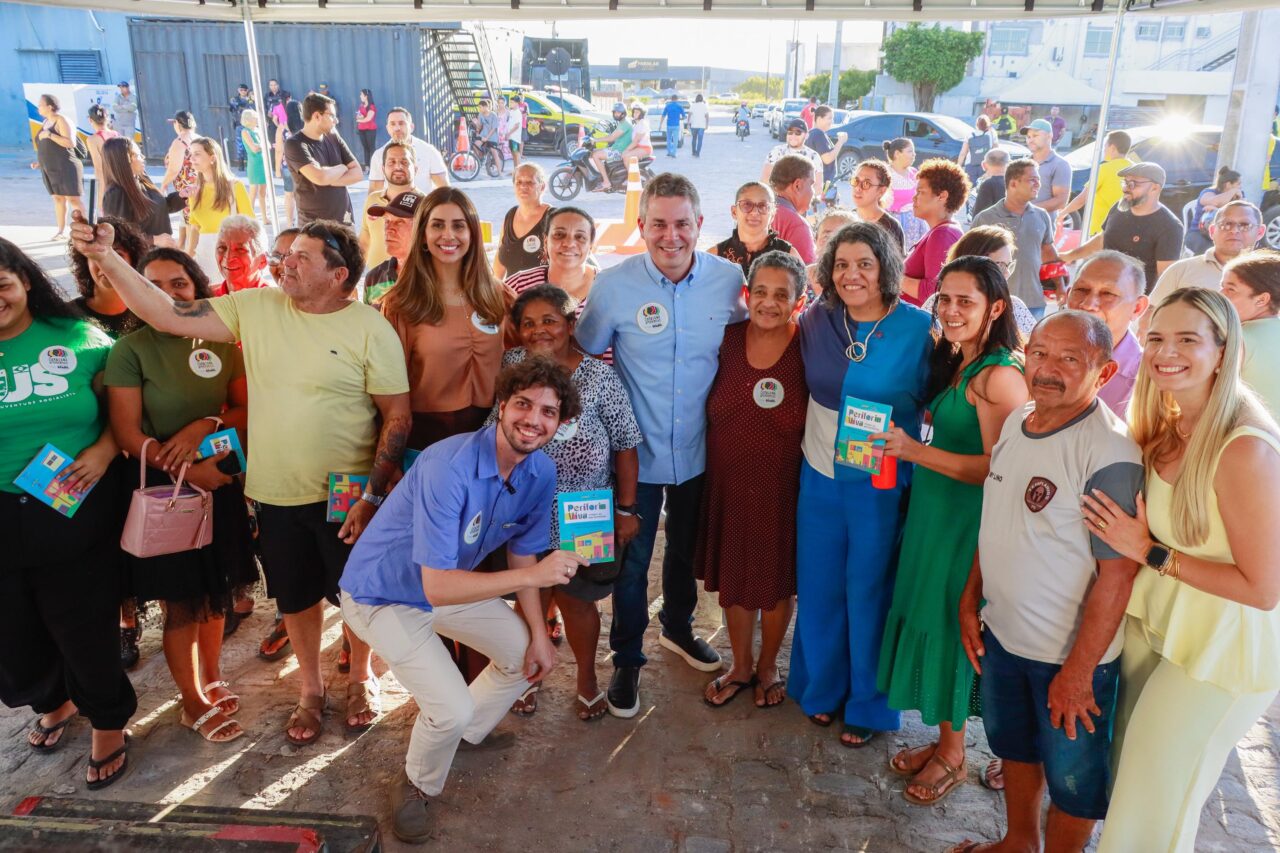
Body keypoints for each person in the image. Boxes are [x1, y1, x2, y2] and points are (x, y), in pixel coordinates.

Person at [70, 212, 412, 747]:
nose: (285, 263)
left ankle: (360, 678)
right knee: (295, 598)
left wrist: (371, 494)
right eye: (286, 254)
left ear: (339, 274)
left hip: (347, 493)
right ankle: (311, 689)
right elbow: (166, 312)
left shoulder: (371, 326)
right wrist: (105, 257)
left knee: (357, 594)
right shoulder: (254, 307)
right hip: (276, 493)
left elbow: (397, 416)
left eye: (301, 257)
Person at [338, 359, 584, 844]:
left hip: (445, 585)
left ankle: (459, 737)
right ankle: (416, 784)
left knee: (524, 657)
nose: (533, 419)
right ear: (501, 406)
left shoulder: (540, 470)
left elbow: (522, 553)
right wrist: (535, 575)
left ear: (560, 422)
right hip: (381, 594)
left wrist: (539, 635)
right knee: (449, 708)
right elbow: (440, 588)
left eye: (548, 412)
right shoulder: (448, 465)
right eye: (523, 404)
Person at [1082, 289, 1280, 853]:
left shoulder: (1245, 448)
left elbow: (1264, 590)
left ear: (1223, 350)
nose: (1166, 352)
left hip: (1221, 649)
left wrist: (1149, 551)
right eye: (1157, 339)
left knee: (1152, 803)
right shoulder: (1167, 421)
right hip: (1159, 625)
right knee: (1129, 779)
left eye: (1188, 339)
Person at [953, 310, 1143, 853]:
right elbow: (998, 517)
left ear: (1104, 372)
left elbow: (1118, 575)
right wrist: (971, 599)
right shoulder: (1018, 421)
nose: (1048, 369)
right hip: (1004, 636)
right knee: (1015, 748)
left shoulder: (1110, 452)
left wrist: (1079, 673)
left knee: (1073, 782)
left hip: (1068, 658)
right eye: (1039, 353)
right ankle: (1018, 842)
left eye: (1069, 359)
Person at [576, 174, 748, 718]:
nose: (670, 236)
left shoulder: (729, 279)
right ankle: (627, 657)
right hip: (636, 457)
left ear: (700, 224)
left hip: (701, 450)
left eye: (681, 224)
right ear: (641, 225)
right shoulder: (612, 286)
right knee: (631, 563)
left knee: (685, 551)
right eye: (658, 224)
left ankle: (677, 627)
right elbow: (585, 357)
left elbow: (745, 344)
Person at [875, 255, 1026, 805]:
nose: (951, 310)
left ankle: (956, 755)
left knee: (951, 627)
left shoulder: (999, 375)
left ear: (996, 308)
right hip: (934, 515)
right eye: (945, 298)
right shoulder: (962, 360)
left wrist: (917, 452)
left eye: (966, 301)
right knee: (931, 619)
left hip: (966, 524)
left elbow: (1001, 468)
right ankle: (945, 741)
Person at [104, 247, 255, 744]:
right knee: (182, 604)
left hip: (219, 482)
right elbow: (127, 434)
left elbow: (243, 408)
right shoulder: (129, 350)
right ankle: (191, 702)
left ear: (197, 287)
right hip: (165, 491)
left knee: (216, 594)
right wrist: (189, 471)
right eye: (153, 286)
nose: (168, 295)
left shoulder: (222, 343)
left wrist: (204, 424)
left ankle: (211, 678)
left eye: (179, 284)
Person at [0, 237, 136, 789]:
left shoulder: (81, 338)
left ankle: (108, 720)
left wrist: (104, 450)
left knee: (83, 621)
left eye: (2, 286)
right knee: (12, 629)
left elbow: (126, 409)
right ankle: (53, 698)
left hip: (72, 502)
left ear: (25, 281)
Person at [789, 222, 931, 747]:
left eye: (864, 264)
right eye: (842, 264)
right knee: (820, 584)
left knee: (870, 588)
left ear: (885, 268)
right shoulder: (817, 319)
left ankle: (868, 704)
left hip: (881, 481)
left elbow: (939, 401)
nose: (852, 275)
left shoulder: (919, 328)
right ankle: (822, 688)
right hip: (819, 472)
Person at [489, 286, 643, 718]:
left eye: (549, 321)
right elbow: (493, 428)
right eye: (528, 323)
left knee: (578, 600)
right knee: (530, 595)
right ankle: (529, 674)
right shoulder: (511, 365)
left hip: (584, 511)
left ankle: (587, 678)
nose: (539, 330)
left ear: (571, 325)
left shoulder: (599, 377)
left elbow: (626, 445)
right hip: (523, 508)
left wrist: (626, 510)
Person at [697, 251, 808, 710]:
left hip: (784, 487)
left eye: (781, 295)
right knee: (736, 576)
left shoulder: (807, 348)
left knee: (777, 581)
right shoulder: (725, 339)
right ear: (746, 294)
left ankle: (768, 667)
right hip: (728, 484)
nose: (768, 302)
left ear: (798, 302)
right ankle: (741, 666)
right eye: (760, 291)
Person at [382, 187, 509, 450]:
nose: (448, 235)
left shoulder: (499, 295)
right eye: (438, 225)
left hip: (492, 435)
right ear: (423, 235)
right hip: (427, 437)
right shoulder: (401, 303)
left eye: (459, 226)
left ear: (472, 233)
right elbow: (389, 388)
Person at [1062, 162, 1185, 294]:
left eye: (1133, 184)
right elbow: (1103, 240)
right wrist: (1066, 256)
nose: (1126, 188)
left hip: (1132, 299)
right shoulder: (1119, 208)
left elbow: (1166, 279)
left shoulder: (1170, 227)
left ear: (1154, 188)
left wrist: (1148, 305)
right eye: (1125, 183)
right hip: (1098, 290)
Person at [1144, 200, 1265, 333]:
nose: (1234, 230)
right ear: (1212, 231)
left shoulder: (1270, 277)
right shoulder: (1182, 270)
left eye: (1245, 225)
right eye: (1226, 224)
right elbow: (1150, 314)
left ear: (1260, 232)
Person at [1065, 251, 1148, 419]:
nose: (1088, 304)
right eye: (1081, 289)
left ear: (1137, 308)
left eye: (1108, 293)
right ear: (1068, 295)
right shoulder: (1039, 357)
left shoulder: (1150, 381)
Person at [971, 159, 1059, 317]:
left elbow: (1048, 252)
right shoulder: (985, 219)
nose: (1038, 184)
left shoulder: (1042, 216)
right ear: (1013, 184)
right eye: (1032, 180)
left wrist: (1060, 285)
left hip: (1034, 303)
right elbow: (970, 260)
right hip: (995, 302)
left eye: (1038, 180)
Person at [920, 226, 1038, 338]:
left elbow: (1035, 343)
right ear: (969, 264)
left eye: (1009, 266)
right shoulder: (936, 303)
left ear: (997, 309)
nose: (1007, 274)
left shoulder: (1014, 306)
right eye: (1000, 266)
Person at [283, 93, 362, 227]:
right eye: (332, 115)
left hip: (344, 222)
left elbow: (358, 173)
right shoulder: (295, 144)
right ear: (317, 116)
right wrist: (342, 167)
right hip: (314, 228)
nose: (336, 121)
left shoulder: (334, 137)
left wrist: (328, 178)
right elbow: (320, 177)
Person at [1220, 250, 1280, 418]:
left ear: (1261, 299)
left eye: (1231, 289)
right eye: (1222, 286)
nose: (1221, 294)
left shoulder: (1235, 340)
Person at [183, 138, 253, 284]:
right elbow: (195, 227)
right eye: (190, 154)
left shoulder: (235, 187)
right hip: (204, 253)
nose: (191, 158)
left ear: (212, 158)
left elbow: (250, 225)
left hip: (231, 253)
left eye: (197, 154)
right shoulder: (194, 190)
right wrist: (188, 257)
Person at [902, 159, 969, 305]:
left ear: (942, 196)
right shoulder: (942, 231)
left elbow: (933, 293)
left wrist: (892, 277)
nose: (914, 198)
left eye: (920, 192)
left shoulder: (943, 234)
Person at [68, 216, 147, 339]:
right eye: (96, 254)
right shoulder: (67, 317)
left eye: (117, 254)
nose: (106, 263)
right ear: (85, 263)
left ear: (133, 262)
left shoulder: (148, 314)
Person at [505, 206, 598, 309]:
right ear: (545, 242)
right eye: (559, 234)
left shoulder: (608, 287)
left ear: (591, 246)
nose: (569, 243)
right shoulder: (517, 287)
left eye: (580, 237)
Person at [100, 137, 184, 248]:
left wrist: (183, 196)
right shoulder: (116, 193)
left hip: (160, 252)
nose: (143, 157)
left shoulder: (141, 178)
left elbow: (161, 207)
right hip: (141, 255)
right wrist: (153, 240)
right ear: (126, 159)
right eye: (138, 155)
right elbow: (118, 237)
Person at [709, 182, 797, 277]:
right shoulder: (714, 257)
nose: (754, 212)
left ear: (772, 215)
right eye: (747, 204)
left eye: (763, 206)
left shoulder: (790, 256)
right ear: (734, 212)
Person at [1057, 130, 1133, 238]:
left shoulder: (1104, 169)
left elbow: (1082, 199)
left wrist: (1061, 214)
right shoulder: (1135, 169)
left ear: (1112, 148)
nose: (1104, 150)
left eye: (1105, 146)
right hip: (1127, 230)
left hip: (1101, 231)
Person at [30, 94, 85, 240]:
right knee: (58, 199)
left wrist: (50, 135)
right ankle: (61, 231)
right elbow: (48, 147)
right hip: (49, 167)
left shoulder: (62, 120)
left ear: (50, 106)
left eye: (40, 105)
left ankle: (87, 230)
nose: (38, 108)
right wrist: (40, 162)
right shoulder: (45, 122)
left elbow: (70, 143)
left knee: (73, 199)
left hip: (66, 166)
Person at [359, 141, 417, 272]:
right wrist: (353, 278)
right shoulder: (372, 200)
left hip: (411, 280)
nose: (398, 167)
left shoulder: (425, 204)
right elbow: (364, 242)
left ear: (416, 168)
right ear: (383, 168)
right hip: (376, 282)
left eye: (404, 162)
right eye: (391, 162)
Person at [492, 163, 553, 280]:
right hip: (511, 290)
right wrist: (494, 286)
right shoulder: (510, 215)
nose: (523, 186)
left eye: (530, 182)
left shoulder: (552, 218)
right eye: (518, 182)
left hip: (543, 290)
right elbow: (499, 260)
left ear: (542, 187)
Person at [367, 106, 448, 194]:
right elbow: (374, 192)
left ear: (411, 127)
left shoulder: (428, 151)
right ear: (387, 128)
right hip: (391, 203)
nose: (397, 128)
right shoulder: (379, 155)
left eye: (401, 123)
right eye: (392, 124)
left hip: (422, 202)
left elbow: (444, 188)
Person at [767, 154, 817, 264]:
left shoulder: (752, 213)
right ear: (797, 185)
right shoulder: (797, 224)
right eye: (811, 184)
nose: (814, 192)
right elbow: (807, 272)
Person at [845, 160, 904, 250]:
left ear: (881, 191)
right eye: (856, 181)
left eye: (866, 183)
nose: (858, 188)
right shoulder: (845, 220)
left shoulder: (891, 227)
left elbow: (897, 259)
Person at [210, 215, 272, 297]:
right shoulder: (208, 298)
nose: (228, 258)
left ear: (263, 261)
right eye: (222, 248)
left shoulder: (274, 300)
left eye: (240, 249)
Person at [762, 119, 823, 202]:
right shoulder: (776, 152)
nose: (793, 136)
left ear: (806, 135)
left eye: (798, 133)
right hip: (778, 202)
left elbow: (818, 186)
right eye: (790, 133)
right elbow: (765, 180)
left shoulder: (813, 156)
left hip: (802, 203)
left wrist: (803, 201)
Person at [1188, 166, 1244, 253]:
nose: (1240, 187)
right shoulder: (1208, 192)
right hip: (1199, 233)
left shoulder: (1237, 196)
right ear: (1228, 184)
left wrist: (1216, 210)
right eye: (1238, 184)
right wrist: (1232, 191)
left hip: (1223, 233)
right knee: (1210, 251)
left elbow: (1242, 215)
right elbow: (1214, 202)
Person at [884, 137, 927, 248]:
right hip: (892, 225)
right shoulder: (886, 174)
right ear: (897, 154)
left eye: (914, 151)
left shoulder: (914, 173)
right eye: (910, 151)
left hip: (915, 225)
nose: (914, 154)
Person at [1020, 119, 1070, 213]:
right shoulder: (1023, 163)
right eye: (1028, 137)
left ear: (1049, 135)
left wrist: (1026, 210)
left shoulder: (1060, 164)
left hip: (1042, 222)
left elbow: (1060, 201)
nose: (1030, 140)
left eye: (1035, 135)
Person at [805, 107, 848, 207]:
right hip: (823, 185)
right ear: (819, 118)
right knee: (823, 213)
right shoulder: (818, 134)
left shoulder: (812, 133)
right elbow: (827, 159)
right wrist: (840, 141)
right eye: (829, 118)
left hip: (817, 184)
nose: (832, 121)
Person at [273, 97, 302, 228]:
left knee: (288, 195)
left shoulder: (282, 128)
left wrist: (277, 169)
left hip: (288, 165)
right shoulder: (306, 127)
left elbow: (279, 150)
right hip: (304, 165)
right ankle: (303, 221)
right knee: (303, 195)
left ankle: (290, 223)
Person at [590, 103, 632, 192]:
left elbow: (612, 138)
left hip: (619, 151)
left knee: (595, 155)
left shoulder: (625, 124)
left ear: (623, 113)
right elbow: (613, 134)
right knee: (594, 151)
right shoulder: (622, 123)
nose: (616, 114)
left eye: (618, 113)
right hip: (615, 148)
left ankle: (606, 182)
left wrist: (596, 140)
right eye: (615, 112)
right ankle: (602, 175)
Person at [85, 104, 119, 212]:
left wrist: (101, 194)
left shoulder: (92, 140)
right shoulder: (116, 134)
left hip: (108, 182)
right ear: (107, 118)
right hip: (121, 179)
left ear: (90, 120)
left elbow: (99, 168)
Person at [238, 110, 269, 225]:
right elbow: (254, 148)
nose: (257, 119)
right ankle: (249, 218)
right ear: (249, 119)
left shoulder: (258, 130)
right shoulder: (245, 131)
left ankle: (265, 218)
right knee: (253, 191)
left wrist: (262, 146)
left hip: (263, 163)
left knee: (263, 192)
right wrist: (263, 145)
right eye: (255, 117)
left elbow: (268, 145)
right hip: (254, 164)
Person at [957, 115, 998, 186]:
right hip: (986, 166)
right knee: (983, 188)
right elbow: (996, 150)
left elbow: (963, 153)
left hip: (970, 165)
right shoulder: (992, 133)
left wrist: (958, 166)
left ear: (976, 124)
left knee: (970, 188)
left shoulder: (970, 134)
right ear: (988, 124)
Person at [970, 148, 1010, 219]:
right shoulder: (1015, 184)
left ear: (984, 165)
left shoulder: (988, 185)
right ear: (1009, 164)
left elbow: (979, 217)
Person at [228, 84, 254, 167]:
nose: (242, 92)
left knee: (250, 143)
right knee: (240, 145)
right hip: (239, 124)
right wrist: (248, 100)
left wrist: (250, 98)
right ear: (238, 90)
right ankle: (241, 165)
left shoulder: (250, 99)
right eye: (241, 90)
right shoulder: (234, 99)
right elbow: (237, 106)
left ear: (247, 90)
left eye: (244, 90)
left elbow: (252, 108)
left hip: (250, 125)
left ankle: (250, 163)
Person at [475, 99, 503, 174]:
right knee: (476, 145)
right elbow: (479, 125)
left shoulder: (493, 115)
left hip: (492, 136)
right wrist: (477, 126)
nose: (479, 109)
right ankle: (482, 158)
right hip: (483, 134)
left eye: (480, 107)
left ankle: (500, 172)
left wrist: (487, 138)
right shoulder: (480, 114)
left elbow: (494, 129)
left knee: (494, 153)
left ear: (485, 107)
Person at [355, 89, 378, 171]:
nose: (360, 96)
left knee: (372, 148)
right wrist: (360, 118)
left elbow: (368, 118)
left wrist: (359, 120)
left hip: (370, 130)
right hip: (361, 130)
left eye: (361, 94)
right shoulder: (361, 106)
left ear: (366, 96)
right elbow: (358, 116)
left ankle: (374, 167)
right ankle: (367, 167)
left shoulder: (372, 107)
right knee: (366, 148)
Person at [660, 94, 685, 159]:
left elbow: (663, 115)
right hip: (676, 125)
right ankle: (673, 153)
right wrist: (680, 118)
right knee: (675, 140)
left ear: (671, 99)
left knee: (669, 139)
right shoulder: (679, 106)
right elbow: (684, 116)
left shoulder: (668, 106)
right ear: (677, 99)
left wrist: (660, 124)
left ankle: (669, 152)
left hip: (669, 125)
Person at [504, 97, 524, 169]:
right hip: (510, 137)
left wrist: (508, 133)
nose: (511, 104)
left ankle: (519, 170)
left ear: (517, 103)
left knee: (516, 153)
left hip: (515, 137)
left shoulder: (518, 113)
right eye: (510, 102)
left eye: (512, 102)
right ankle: (515, 169)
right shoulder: (511, 111)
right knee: (513, 154)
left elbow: (516, 126)